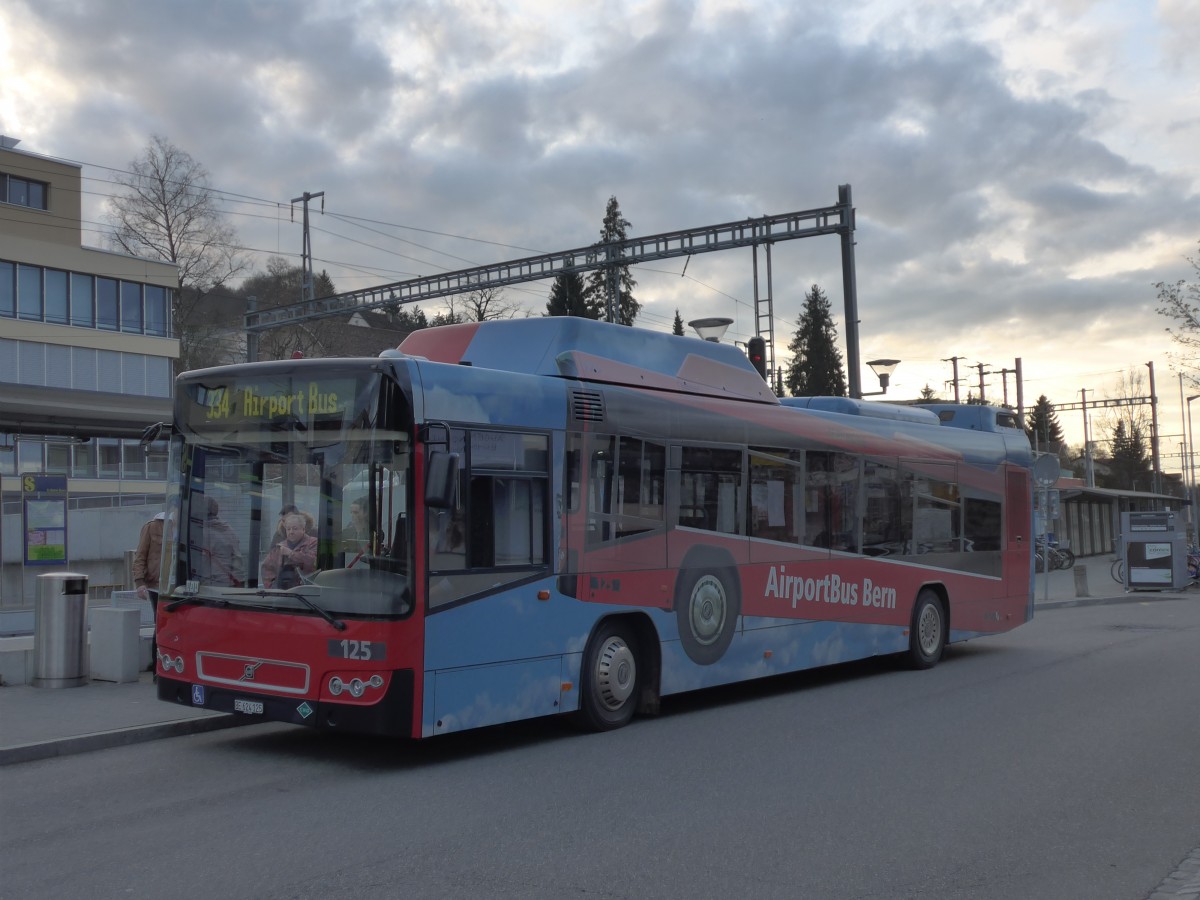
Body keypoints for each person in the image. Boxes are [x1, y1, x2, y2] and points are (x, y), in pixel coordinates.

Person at [133, 510, 166, 673]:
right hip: (156, 586)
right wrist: (140, 582)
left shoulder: (184, 525)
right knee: (160, 624)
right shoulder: (152, 526)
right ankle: (156, 668)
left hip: (178, 586)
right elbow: (140, 555)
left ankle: (164, 665)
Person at [261, 511, 318, 588]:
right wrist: (271, 587)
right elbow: (266, 568)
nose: (291, 532)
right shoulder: (279, 548)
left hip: (306, 592)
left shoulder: (313, 543)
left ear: (303, 529)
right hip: (283, 594)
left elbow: (313, 562)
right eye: (288, 529)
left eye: (295, 529)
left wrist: (291, 554)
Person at [202, 497, 244, 587]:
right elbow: (238, 561)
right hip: (230, 586)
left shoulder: (202, 533)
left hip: (210, 588)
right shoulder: (229, 530)